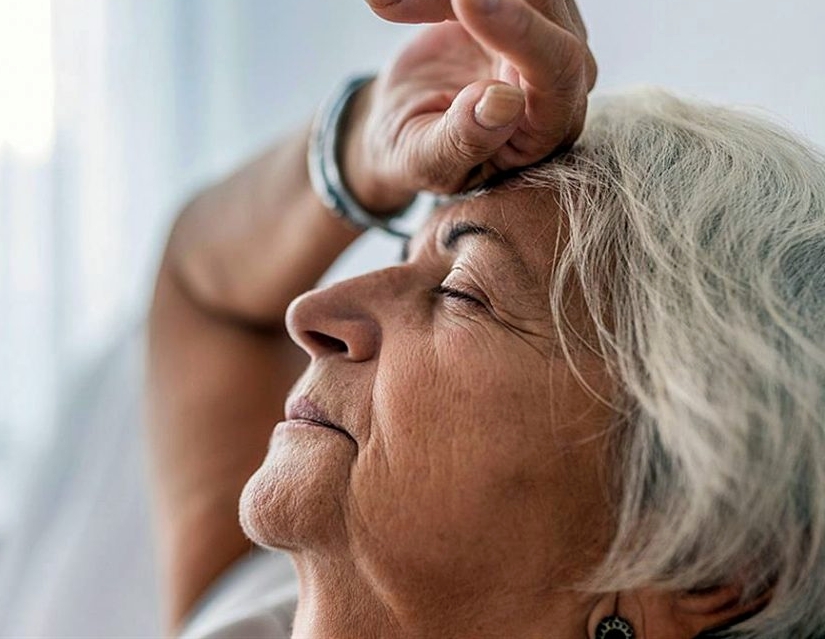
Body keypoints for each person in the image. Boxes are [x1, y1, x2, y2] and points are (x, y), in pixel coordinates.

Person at [147, 0, 825, 637]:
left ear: (702, 563)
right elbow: (206, 288)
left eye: (463, 292)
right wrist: (366, 140)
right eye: (402, 257)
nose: (311, 312)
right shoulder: (257, 615)